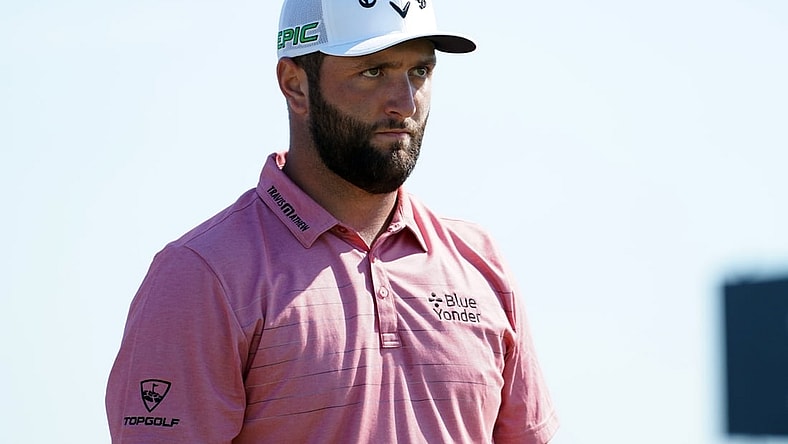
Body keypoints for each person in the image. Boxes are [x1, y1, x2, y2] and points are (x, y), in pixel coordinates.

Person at [105, 0, 559, 442]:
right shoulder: (200, 275)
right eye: (373, 71)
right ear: (295, 85)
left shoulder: (479, 261)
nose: (404, 102)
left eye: (419, 71)